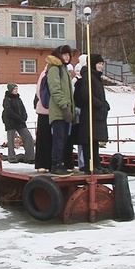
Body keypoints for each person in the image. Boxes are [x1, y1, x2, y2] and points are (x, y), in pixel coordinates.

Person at [75, 54, 110, 173]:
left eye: (102, 64)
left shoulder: (96, 77)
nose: (101, 66)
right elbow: (87, 95)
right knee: (89, 140)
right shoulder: (88, 77)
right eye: (99, 64)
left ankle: (96, 164)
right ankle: (90, 165)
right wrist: (100, 104)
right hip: (90, 113)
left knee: (94, 140)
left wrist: (105, 104)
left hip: (96, 113)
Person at [45, 45, 75, 175]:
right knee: (58, 139)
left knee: (63, 139)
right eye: (64, 54)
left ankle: (60, 163)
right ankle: (56, 164)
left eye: (69, 55)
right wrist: (64, 106)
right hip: (59, 111)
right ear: (59, 55)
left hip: (65, 109)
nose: (67, 57)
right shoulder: (54, 69)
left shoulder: (63, 69)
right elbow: (55, 89)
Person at [2, 83, 35, 164]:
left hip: (20, 122)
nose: (16, 90)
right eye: (14, 89)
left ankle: (30, 157)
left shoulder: (18, 99)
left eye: (17, 89)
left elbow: (23, 109)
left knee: (28, 138)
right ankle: (11, 157)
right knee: (11, 140)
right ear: (10, 90)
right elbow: (9, 111)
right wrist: (19, 118)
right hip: (11, 122)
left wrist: (24, 116)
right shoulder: (7, 99)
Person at [34, 65, 52, 170]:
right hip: (45, 110)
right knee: (43, 138)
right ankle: (42, 164)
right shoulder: (45, 74)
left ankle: (45, 163)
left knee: (47, 138)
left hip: (48, 110)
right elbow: (40, 92)